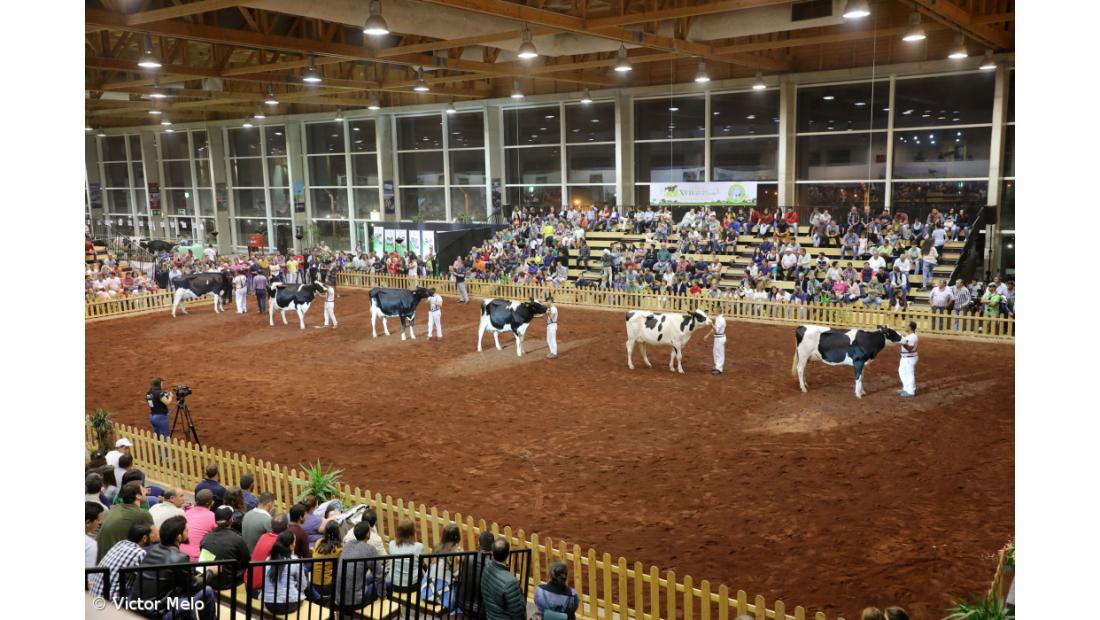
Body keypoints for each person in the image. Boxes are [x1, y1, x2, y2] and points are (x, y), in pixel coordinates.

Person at [127, 515, 218, 620]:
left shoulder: (152, 550)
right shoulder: (179, 558)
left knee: (185, 593)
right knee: (207, 591)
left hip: (138, 608)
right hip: (157, 613)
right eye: (186, 530)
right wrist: (210, 572)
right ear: (179, 537)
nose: (188, 532)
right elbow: (194, 585)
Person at [90, 522, 155, 601]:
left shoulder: (120, 543)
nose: (154, 536)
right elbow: (148, 581)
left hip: (93, 596)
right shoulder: (140, 553)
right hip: (110, 603)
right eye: (152, 534)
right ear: (144, 538)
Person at [335, 520, 387, 612]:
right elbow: (379, 576)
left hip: (339, 598)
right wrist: (383, 596)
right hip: (355, 601)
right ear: (367, 534)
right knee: (387, 583)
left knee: (370, 578)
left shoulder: (347, 545)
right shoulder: (370, 549)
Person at [96, 482, 154, 563]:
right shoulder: (142, 514)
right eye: (143, 489)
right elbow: (155, 537)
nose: (146, 491)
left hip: (102, 558)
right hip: (115, 560)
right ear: (138, 496)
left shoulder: (115, 508)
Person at [200, 505, 251, 590]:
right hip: (230, 583)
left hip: (210, 580)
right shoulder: (238, 539)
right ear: (231, 519)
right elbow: (246, 561)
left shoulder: (206, 537)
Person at [262, 531, 308, 614]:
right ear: (291, 545)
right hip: (288, 604)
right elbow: (303, 585)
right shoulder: (295, 561)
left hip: (269, 603)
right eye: (294, 542)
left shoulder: (268, 559)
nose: (295, 544)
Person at [481, 538, 526, 620]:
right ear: (508, 554)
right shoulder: (511, 582)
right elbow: (518, 615)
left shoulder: (486, 568)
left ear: (492, 552)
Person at [248, 513, 289, 592]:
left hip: (249, 580)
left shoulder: (263, 536)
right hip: (259, 587)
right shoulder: (280, 542)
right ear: (287, 527)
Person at [458, 532, 495, 618]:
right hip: (483, 611)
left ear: (478, 543)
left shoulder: (468, 556)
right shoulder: (494, 563)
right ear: (493, 545)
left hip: (462, 604)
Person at [388, 518, 425, 594]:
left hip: (394, 584)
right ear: (412, 532)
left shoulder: (391, 544)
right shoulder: (419, 546)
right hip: (412, 586)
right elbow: (422, 565)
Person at [180, 489, 217, 561]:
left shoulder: (186, 513)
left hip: (181, 554)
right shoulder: (213, 516)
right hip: (198, 558)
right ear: (212, 503)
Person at [311, 521, 344, 597]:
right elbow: (340, 568)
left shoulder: (318, 542)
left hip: (314, 583)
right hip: (328, 585)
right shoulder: (339, 549)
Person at [898, 321, 918, 398]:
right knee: (902, 372)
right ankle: (906, 388)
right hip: (905, 358)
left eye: (906, 325)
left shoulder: (913, 337)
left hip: (909, 358)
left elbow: (910, 349)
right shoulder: (909, 336)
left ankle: (911, 391)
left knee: (909, 374)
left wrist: (902, 342)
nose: (905, 326)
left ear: (910, 327)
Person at [86, 502, 105, 567]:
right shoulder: (90, 544)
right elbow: (88, 574)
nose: (100, 523)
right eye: (98, 520)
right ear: (88, 522)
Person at [545, 295, 559, 359]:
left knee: (553, 339)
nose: (547, 302)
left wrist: (547, 313)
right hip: (549, 325)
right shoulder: (550, 308)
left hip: (552, 325)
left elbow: (551, 317)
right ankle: (552, 352)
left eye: (547, 301)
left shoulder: (553, 309)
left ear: (550, 301)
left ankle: (554, 353)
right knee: (548, 339)